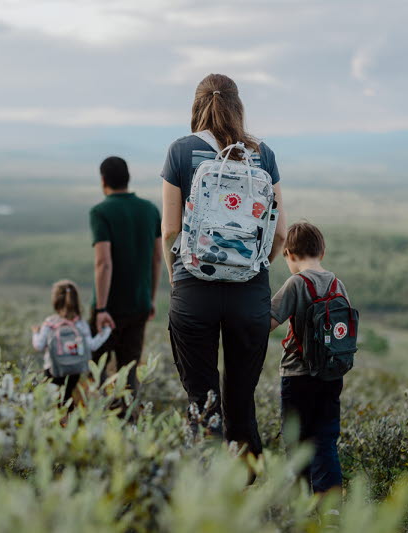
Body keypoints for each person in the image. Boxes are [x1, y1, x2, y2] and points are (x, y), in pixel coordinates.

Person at [160, 73, 288, 458]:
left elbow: (168, 231)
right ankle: (247, 486)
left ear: (197, 106)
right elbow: (280, 233)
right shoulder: (263, 154)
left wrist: (177, 276)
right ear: (238, 106)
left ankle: (206, 485)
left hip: (194, 289)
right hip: (248, 293)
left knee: (202, 399)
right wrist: (255, 267)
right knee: (241, 399)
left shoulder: (180, 151)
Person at [269, 222, 350, 494]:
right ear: (322, 252)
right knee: (325, 441)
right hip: (331, 375)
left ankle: (300, 506)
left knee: (296, 443)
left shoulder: (296, 283)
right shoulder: (337, 283)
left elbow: (268, 322)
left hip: (297, 376)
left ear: (290, 254)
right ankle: (330, 511)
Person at [89, 156, 162, 396]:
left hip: (108, 308)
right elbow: (157, 259)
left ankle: (98, 425)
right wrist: (150, 299)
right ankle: (129, 425)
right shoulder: (150, 210)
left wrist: (101, 309)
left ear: (103, 180)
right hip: (139, 304)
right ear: (127, 178)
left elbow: (103, 262)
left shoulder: (101, 211)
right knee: (129, 375)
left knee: (96, 373)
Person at [32, 280, 111, 405]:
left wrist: (36, 333)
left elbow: (38, 345)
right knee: (67, 398)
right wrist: (106, 330)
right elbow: (92, 345)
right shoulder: (80, 324)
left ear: (55, 301)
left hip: (53, 369)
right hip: (75, 370)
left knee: (51, 401)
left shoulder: (50, 322)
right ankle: (67, 420)